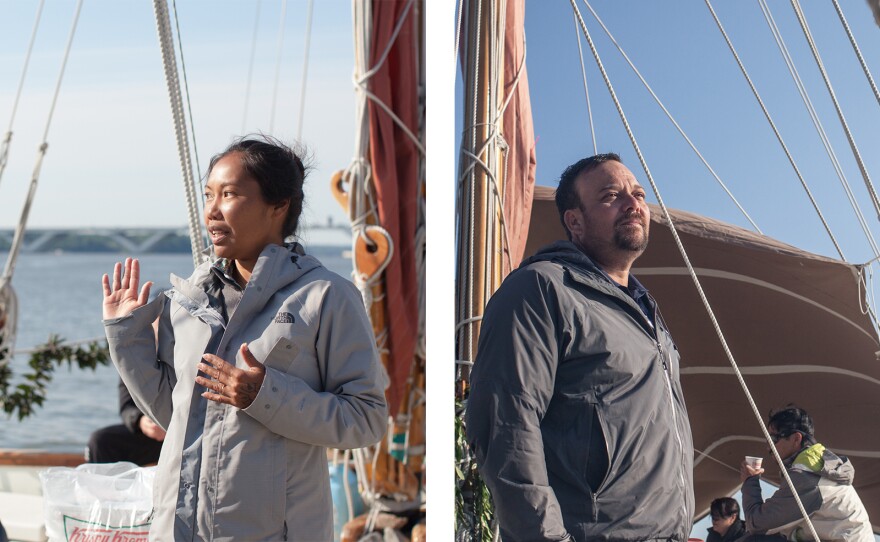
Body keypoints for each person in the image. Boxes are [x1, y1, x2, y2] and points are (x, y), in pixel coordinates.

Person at [101, 136, 387, 541]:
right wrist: (127, 337)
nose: (211, 211)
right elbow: (176, 416)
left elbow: (367, 420)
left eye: (230, 194)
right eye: (208, 195)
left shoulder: (326, 296)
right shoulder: (186, 303)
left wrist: (263, 394)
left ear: (279, 205)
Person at [465, 153, 694, 541]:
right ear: (575, 221)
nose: (633, 203)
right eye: (611, 196)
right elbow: (505, 425)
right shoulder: (541, 289)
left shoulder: (649, 316)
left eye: (637, 193)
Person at [739, 404, 872, 542]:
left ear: (796, 438)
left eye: (773, 439)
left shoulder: (807, 476)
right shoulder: (822, 465)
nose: (768, 446)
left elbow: (756, 523)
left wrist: (750, 481)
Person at [86, 378, 165, 465]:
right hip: (152, 433)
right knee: (100, 441)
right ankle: (102, 479)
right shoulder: (130, 364)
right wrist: (140, 420)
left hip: (179, 430)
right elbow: (126, 407)